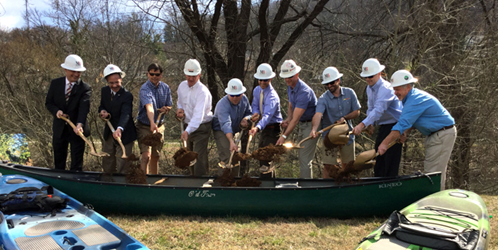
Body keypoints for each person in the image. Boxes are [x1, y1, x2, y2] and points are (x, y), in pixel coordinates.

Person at [378, 70, 456, 190]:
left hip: (441, 134)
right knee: (435, 173)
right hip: (438, 134)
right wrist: (405, 132)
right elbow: (412, 121)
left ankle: (435, 205)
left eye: (397, 89)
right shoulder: (410, 99)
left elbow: (401, 125)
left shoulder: (414, 100)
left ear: (408, 87)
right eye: (394, 89)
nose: (395, 92)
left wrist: (384, 144)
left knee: (433, 175)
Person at [352, 58, 403, 177]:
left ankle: (390, 186)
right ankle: (379, 184)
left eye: (371, 76)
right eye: (366, 77)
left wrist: (361, 125)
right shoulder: (369, 89)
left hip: (395, 125)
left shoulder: (386, 88)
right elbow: (371, 108)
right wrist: (370, 124)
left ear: (379, 74)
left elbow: (379, 110)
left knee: (390, 160)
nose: (368, 79)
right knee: (379, 158)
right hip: (383, 126)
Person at [310, 67, 361, 178]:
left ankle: (347, 187)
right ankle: (326, 189)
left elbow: (357, 112)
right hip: (329, 136)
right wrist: (314, 129)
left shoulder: (350, 93)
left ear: (338, 80)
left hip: (347, 135)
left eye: (331, 82)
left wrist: (345, 118)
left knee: (348, 165)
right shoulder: (323, 98)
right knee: (329, 165)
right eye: (327, 84)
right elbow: (318, 114)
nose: (329, 86)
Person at [45, 54, 91, 171]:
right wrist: (57, 111)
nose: (76, 74)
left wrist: (80, 124)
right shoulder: (55, 84)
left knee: (76, 165)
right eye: (73, 71)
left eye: (79, 72)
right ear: (65, 69)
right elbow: (49, 103)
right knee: (59, 163)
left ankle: (76, 184)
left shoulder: (85, 88)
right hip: (59, 129)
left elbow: (84, 108)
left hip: (77, 130)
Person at [276, 60, 318, 178]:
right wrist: (288, 118)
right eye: (285, 77)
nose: (287, 79)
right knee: (301, 156)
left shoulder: (304, 92)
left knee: (305, 158)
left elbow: (296, 118)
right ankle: (304, 182)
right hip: (302, 124)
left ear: (297, 74)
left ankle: (307, 189)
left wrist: (284, 136)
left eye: (290, 76)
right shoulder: (290, 87)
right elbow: (291, 106)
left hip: (312, 125)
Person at [176, 59, 213, 176]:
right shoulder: (182, 86)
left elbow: (198, 115)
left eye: (194, 76)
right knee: (189, 157)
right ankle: (192, 181)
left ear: (199, 75)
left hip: (202, 127)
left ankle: (201, 184)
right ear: (185, 74)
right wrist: (179, 110)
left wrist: (187, 131)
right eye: (188, 75)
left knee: (197, 156)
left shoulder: (203, 92)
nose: (191, 78)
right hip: (188, 125)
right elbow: (180, 102)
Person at [98, 64, 137, 174]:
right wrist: (102, 111)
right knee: (107, 161)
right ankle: (108, 183)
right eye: (111, 83)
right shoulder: (104, 91)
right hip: (109, 132)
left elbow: (126, 113)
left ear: (121, 79)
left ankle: (122, 186)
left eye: (117, 82)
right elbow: (102, 106)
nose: (114, 85)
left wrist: (119, 129)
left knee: (123, 164)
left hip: (125, 133)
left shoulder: (127, 95)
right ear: (106, 81)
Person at [136, 63, 172, 174]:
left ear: (161, 75)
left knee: (155, 156)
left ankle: (153, 181)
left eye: (157, 74)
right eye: (151, 74)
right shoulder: (144, 89)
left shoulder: (165, 88)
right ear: (147, 74)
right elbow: (149, 107)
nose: (154, 76)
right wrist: (152, 122)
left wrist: (166, 109)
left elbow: (169, 105)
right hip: (145, 126)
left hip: (160, 126)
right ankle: (143, 182)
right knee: (146, 156)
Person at [249, 63, 283, 177]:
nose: (262, 82)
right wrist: (255, 113)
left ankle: (269, 185)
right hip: (264, 129)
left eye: (265, 80)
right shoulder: (257, 90)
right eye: (260, 80)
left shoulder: (273, 96)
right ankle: (267, 183)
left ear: (271, 78)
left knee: (266, 158)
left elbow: (268, 116)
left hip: (274, 129)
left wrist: (257, 128)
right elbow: (254, 105)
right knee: (262, 157)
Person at [212, 79, 252, 176]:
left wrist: (246, 119)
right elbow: (226, 124)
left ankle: (234, 181)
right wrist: (231, 141)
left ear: (242, 93)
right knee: (227, 155)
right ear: (228, 94)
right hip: (221, 130)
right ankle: (224, 183)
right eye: (232, 95)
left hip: (236, 130)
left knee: (236, 156)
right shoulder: (222, 105)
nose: (234, 98)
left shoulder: (244, 99)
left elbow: (249, 113)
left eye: (237, 95)